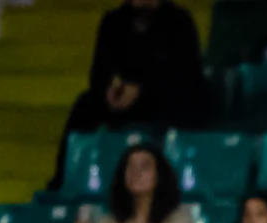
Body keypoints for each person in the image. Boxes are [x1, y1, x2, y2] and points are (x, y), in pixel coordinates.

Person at [55, 0, 208, 183]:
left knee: (191, 102)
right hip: (123, 102)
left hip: (164, 99)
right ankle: (63, 178)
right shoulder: (113, 21)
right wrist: (109, 90)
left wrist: (142, 91)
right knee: (85, 104)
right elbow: (99, 73)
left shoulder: (179, 21)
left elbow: (188, 76)